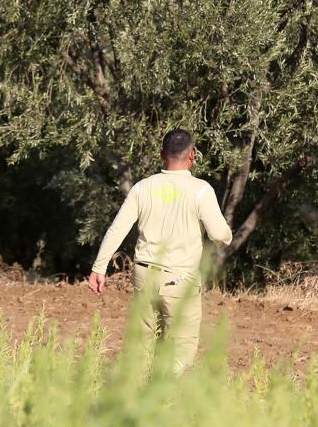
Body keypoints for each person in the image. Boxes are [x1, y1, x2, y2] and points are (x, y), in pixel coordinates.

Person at [87, 129, 233, 373]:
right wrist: (224, 238)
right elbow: (219, 234)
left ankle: (135, 398)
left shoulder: (142, 188)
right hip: (180, 280)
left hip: (144, 276)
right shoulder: (201, 190)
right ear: (192, 155)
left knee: (142, 347)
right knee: (181, 349)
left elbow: (117, 229)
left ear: (161, 154)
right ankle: (163, 398)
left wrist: (98, 267)